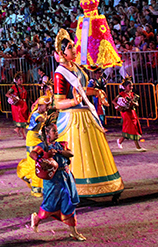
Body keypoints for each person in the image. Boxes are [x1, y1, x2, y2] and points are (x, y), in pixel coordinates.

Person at [53, 29, 124, 200]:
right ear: (63, 52)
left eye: (73, 46)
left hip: (86, 116)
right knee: (78, 154)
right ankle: (76, 189)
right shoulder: (59, 74)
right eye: (70, 47)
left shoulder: (76, 67)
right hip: (73, 119)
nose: (74, 49)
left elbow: (81, 90)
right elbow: (57, 103)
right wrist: (72, 102)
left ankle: (105, 184)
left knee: (95, 152)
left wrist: (97, 92)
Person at [29, 114, 85, 241]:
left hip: (65, 177)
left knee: (69, 203)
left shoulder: (61, 145)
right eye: (54, 130)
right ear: (47, 133)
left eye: (57, 130)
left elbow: (70, 153)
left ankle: (74, 232)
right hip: (52, 179)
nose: (57, 132)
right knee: (50, 205)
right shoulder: (42, 146)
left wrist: (58, 152)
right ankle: (37, 218)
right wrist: (40, 158)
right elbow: (33, 153)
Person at [17, 92, 50, 197]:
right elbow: (41, 120)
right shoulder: (37, 114)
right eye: (47, 105)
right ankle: (35, 188)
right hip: (32, 140)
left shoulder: (44, 113)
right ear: (40, 105)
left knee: (40, 162)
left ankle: (38, 185)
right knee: (34, 163)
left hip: (40, 139)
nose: (48, 107)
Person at [114, 77, 146, 151]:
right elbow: (114, 101)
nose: (131, 87)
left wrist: (134, 103)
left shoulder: (133, 95)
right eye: (129, 86)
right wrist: (118, 106)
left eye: (132, 86)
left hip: (132, 112)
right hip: (126, 113)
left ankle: (120, 141)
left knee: (131, 128)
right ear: (125, 87)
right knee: (131, 127)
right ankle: (138, 147)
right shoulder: (121, 94)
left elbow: (137, 104)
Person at [6, 72, 28, 139]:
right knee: (21, 120)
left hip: (23, 104)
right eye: (20, 80)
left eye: (22, 80)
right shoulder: (13, 87)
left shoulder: (22, 87)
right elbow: (7, 94)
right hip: (18, 106)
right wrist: (13, 97)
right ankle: (24, 135)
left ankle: (17, 129)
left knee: (24, 118)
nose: (21, 81)